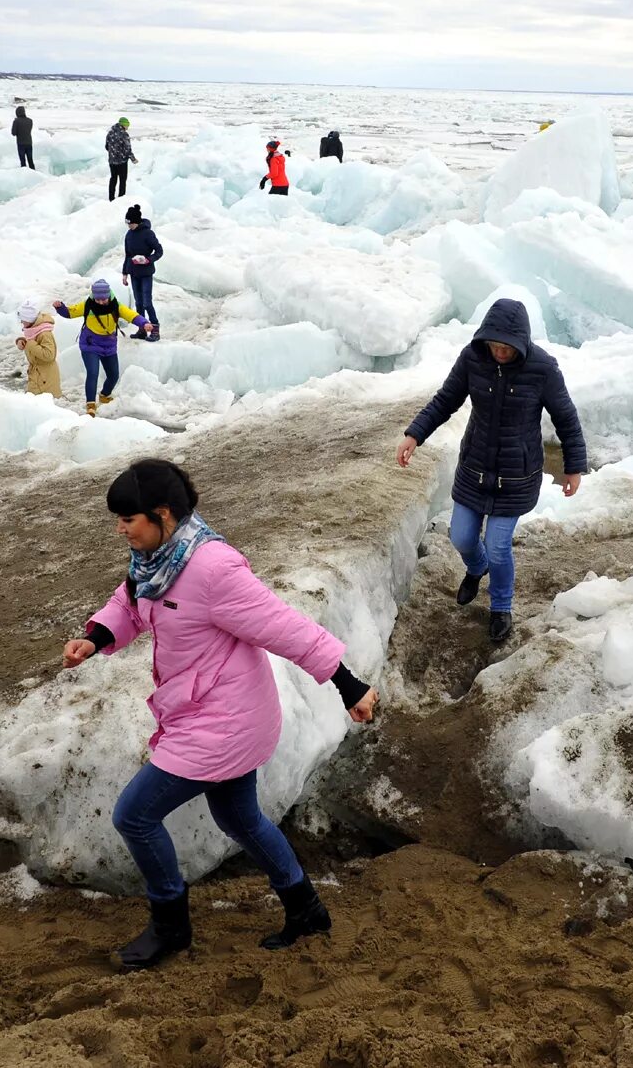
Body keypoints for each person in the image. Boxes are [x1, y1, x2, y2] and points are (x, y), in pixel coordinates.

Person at [62, 459, 377, 971]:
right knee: (238, 817)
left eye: (128, 519)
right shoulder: (154, 560)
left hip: (225, 722)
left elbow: (284, 626)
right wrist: (94, 638)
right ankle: (306, 910)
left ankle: (171, 925)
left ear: (163, 514)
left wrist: (348, 684)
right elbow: (129, 601)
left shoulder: (212, 569)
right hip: (203, 710)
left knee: (134, 815)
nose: (120, 529)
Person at [398, 300, 586, 644]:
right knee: (462, 538)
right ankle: (476, 568)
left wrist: (574, 467)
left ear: (521, 344)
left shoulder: (542, 368)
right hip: (475, 468)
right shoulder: (473, 358)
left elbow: (566, 419)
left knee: (498, 546)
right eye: (494, 344)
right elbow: (445, 400)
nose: (499, 351)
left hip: (515, 476)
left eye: (507, 346)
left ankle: (501, 607)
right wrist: (415, 433)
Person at [53, 280, 153, 416]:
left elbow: (131, 315)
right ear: (94, 296)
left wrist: (144, 323)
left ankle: (105, 395)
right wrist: (60, 307)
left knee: (113, 375)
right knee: (93, 373)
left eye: (103, 299)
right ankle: (90, 405)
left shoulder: (115, 306)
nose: (101, 302)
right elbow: (70, 313)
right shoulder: (87, 305)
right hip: (90, 344)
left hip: (109, 344)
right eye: (98, 299)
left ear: (108, 295)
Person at [121, 204, 163, 341]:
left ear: (136, 221)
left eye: (131, 223)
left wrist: (147, 260)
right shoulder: (129, 235)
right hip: (134, 273)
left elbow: (159, 251)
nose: (129, 226)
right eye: (127, 223)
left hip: (146, 273)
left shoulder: (148, 234)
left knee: (147, 303)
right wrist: (125, 273)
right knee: (138, 303)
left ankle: (155, 330)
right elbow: (127, 255)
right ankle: (142, 329)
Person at [15, 301, 60, 397]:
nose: (21, 322)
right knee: (34, 404)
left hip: (45, 378)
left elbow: (49, 355)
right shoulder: (34, 330)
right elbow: (33, 343)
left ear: (29, 319)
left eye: (23, 319)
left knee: (39, 406)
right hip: (37, 375)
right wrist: (21, 341)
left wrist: (29, 344)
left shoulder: (44, 334)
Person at [106, 118, 138, 201]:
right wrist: (133, 159)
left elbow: (106, 146)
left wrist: (113, 153)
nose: (128, 127)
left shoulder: (110, 133)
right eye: (127, 125)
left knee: (113, 179)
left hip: (112, 161)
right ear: (123, 124)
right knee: (122, 180)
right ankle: (121, 199)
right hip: (122, 162)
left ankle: (111, 198)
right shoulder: (124, 134)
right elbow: (128, 149)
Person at [13, 106, 35, 170]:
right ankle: (33, 172)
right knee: (30, 160)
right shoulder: (30, 120)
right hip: (29, 143)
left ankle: (25, 174)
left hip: (20, 143)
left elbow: (13, 133)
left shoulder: (16, 121)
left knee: (23, 161)